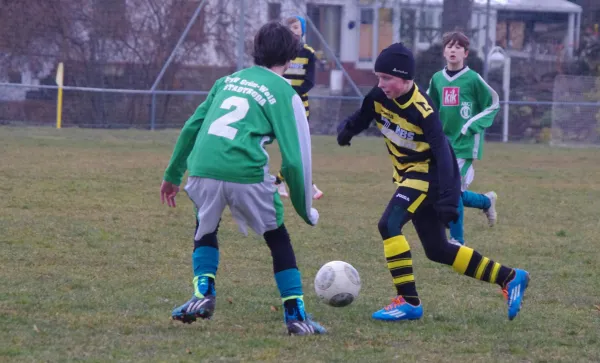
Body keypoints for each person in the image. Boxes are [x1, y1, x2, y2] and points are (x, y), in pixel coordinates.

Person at [336, 42, 529, 322]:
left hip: (428, 175)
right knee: (438, 250)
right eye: (379, 77)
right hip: (410, 175)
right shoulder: (378, 95)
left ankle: (408, 300)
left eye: (387, 78)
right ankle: (510, 278)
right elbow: (363, 116)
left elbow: (445, 156)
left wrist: (450, 199)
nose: (381, 84)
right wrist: (347, 131)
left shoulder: (423, 110)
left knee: (388, 224)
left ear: (405, 78)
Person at [160, 21, 326, 336]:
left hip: (202, 169)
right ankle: (295, 314)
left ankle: (203, 294)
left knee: (204, 227)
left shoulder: (226, 81)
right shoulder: (284, 92)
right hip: (245, 173)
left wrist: (172, 174)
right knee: (278, 237)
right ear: (290, 59)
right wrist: (306, 211)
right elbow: (295, 159)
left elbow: (191, 128)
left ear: (255, 51)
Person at [427, 31, 500, 246]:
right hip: (443, 145)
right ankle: (486, 201)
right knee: (449, 190)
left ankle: (457, 241)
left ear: (466, 53)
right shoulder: (437, 79)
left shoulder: (473, 78)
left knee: (453, 189)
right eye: (449, 46)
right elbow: (429, 109)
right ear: (443, 51)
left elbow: (493, 104)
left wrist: (471, 125)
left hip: (466, 143)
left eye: (458, 47)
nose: (453, 50)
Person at [275, 15, 323, 200]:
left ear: (302, 30)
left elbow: (310, 81)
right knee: (293, 147)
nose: (293, 31)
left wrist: (294, 94)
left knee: (298, 146)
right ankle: (300, 185)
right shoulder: (280, 52)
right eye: (290, 27)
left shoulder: (309, 52)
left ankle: (278, 182)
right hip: (280, 103)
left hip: (301, 104)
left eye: (296, 27)